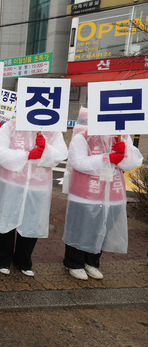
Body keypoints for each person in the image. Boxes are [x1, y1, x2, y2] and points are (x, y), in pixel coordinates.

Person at [62, 107, 143, 280]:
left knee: (102, 228)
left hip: (112, 193)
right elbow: (78, 162)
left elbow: (131, 164)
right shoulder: (82, 136)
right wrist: (106, 158)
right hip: (85, 193)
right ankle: (74, 262)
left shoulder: (122, 136)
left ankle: (92, 262)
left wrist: (126, 153)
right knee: (81, 228)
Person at [0, 119, 68, 276]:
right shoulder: (11, 126)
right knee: (6, 219)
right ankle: (2, 259)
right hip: (12, 183)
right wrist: (26, 155)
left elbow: (61, 154)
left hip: (38, 185)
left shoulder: (51, 128)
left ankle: (23, 260)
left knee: (31, 222)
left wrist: (45, 147)